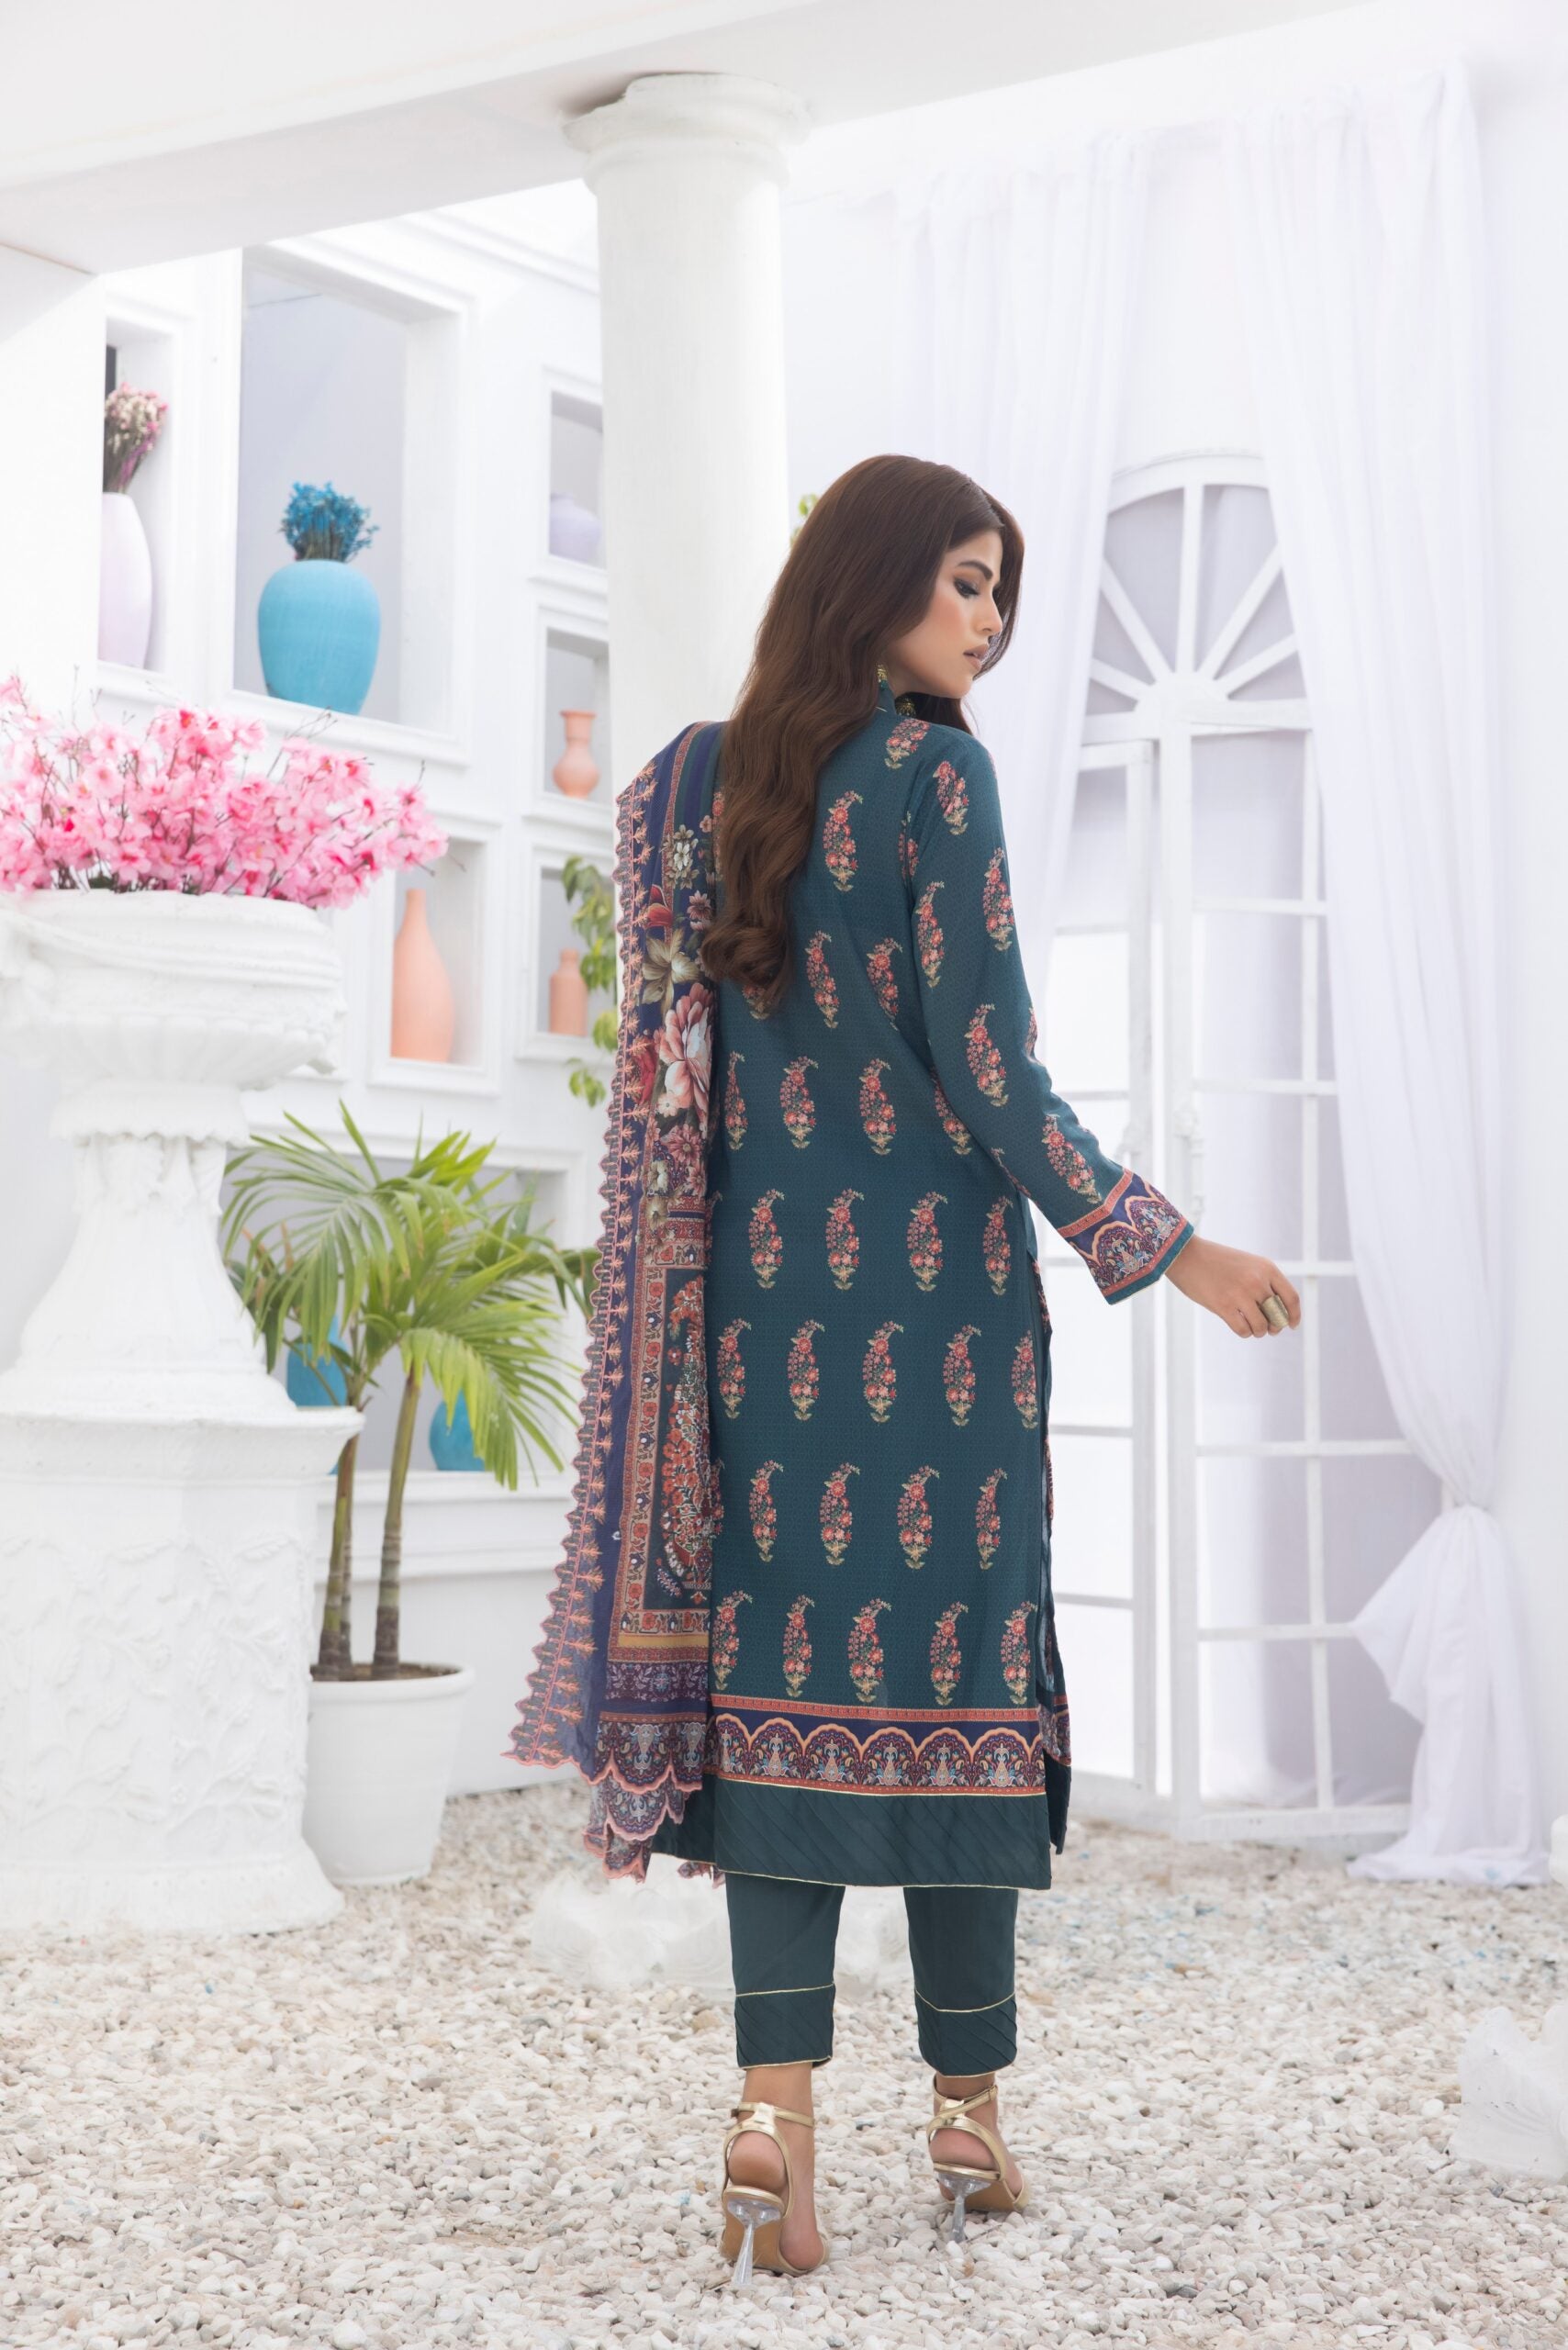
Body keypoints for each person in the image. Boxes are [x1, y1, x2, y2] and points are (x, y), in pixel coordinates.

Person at [512, 453, 1300, 2284]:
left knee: (780, 1692)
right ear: (871, 579)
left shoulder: (693, 788)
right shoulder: (940, 778)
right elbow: (993, 1070)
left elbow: (676, 1083)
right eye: (964, 579)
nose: (989, 619)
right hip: (936, 1335)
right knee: (960, 1693)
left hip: (757, 1327)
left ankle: (771, 2122)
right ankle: (965, 2110)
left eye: (1000, 588)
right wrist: (1169, 1247)